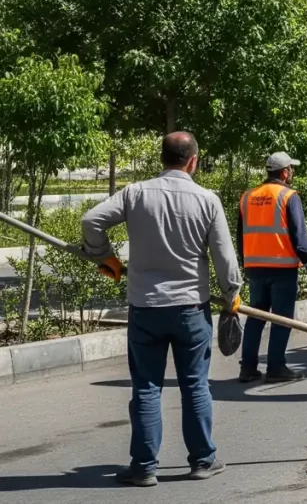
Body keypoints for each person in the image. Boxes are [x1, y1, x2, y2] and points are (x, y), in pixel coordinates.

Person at [81, 132, 243, 487]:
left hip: (146, 308)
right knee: (195, 386)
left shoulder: (135, 194)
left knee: (146, 388)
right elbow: (223, 255)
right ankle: (203, 461)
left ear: (162, 159)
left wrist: (105, 256)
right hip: (191, 309)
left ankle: (143, 468)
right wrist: (232, 293)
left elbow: (91, 221)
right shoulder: (207, 200)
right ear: (193, 161)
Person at [237, 151, 307, 384]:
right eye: (291, 169)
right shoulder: (288, 196)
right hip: (282, 269)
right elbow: (299, 235)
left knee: (256, 316)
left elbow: (240, 235)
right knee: (282, 318)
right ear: (284, 172)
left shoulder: (247, 196)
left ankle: (248, 368)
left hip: (255, 268)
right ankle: (275, 367)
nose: (292, 172)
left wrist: (245, 263)